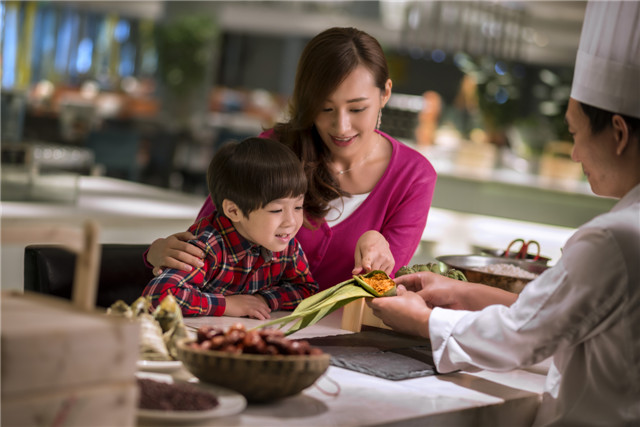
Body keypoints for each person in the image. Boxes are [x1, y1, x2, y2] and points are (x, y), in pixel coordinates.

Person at [368, 2, 640, 425]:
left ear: (619, 133)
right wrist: (465, 295)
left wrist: (426, 321)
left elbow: (523, 337)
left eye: (575, 133)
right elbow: (563, 317)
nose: (574, 153)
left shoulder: (615, 237)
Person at [145, 27, 437, 290]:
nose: (341, 127)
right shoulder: (273, 149)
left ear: (385, 93)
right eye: (325, 109)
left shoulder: (413, 176)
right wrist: (158, 253)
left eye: (357, 109)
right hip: (239, 323)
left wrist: (376, 250)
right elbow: (206, 238)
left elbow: (380, 289)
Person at [142, 137, 318, 319]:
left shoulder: (285, 243)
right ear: (234, 210)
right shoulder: (206, 246)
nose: (291, 221)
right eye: (276, 210)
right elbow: (158, 297)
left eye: (298, 206)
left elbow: (306, 289)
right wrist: (227, 305)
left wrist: (263, 300)